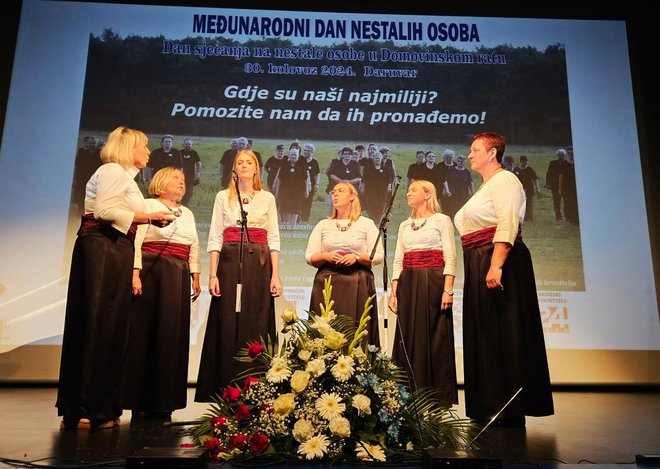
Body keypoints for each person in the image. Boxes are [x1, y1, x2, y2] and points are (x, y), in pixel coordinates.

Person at [56, 126, 176, 430]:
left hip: (115, 248)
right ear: (129, 148)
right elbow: (106, 211)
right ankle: (87, 407)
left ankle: (96, 406)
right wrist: (151, 217)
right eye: (144, 146)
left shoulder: (126, 179)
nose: (149, 152)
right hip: (102, 248)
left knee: (110, 326)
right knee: (98, 323)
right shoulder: (112, 171)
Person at [454, 132, 554, 427]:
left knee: (504, 332)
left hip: (500, 260)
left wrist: (496, 265)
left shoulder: (505, 180)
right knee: (485, 333)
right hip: (478, 259)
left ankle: (508, 408)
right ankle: (488, 403)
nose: (469, 155)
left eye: (475, 150)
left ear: (492, 153)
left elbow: (508, 222)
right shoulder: (485, 186)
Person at [195, 150, 282, 402]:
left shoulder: (267, 198)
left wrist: (275, 275)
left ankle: (255, 383)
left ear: (257, 168)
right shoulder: (223, 197)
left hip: (260, 261)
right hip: (229, 260)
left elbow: (274, 237)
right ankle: (223, 384)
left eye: (249, 162)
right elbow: (215, 236)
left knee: (255, 316)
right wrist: (212, 274)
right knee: (226, 317)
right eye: (239, 162)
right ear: (233, 169)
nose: (244, 166)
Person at [124, 167, 201, 419]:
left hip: (177, 275)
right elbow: (136, 240)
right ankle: (140, 400)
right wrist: (135, 272)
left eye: (183, 181)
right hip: (152, 271)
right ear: (161, 182)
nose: (182, 184)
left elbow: (194, 244)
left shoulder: (187, 212)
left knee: (171, 335)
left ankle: (164, 401)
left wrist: (195, 275)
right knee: (145, 334)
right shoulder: (146, 205)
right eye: (176, 180)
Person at [388, 180, 457, 405]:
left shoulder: (441, 220)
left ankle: (436, 396)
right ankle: (405, 394)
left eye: (414, 190)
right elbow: (398, 259)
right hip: (408, 282)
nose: (408, 193)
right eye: (408, 191)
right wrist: (394, 292)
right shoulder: (404, 225)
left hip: (433, 281)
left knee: (435, 335)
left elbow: (450, 257)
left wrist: (448, 290)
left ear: (428, 194)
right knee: (407, 335)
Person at [305, 182, 383, 346]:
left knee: (355, 329)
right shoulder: (323, 224)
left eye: (341, 191)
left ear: (352, 196)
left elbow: (378, 256)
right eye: (333, 192)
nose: (335, 194)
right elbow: (310, 255)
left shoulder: (366, 223)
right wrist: (326, 255)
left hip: (358, 281)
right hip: (327, 282)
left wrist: (356, 257)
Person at [276, 147, 308, 227]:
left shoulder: (301, 165)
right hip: (285, 190)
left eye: (295, 155)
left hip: (298, 191)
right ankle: (286, 223)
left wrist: (307, 190)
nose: (293, 156)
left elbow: (305, 179)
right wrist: (277, 191)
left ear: (298, 156)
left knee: (296, 208)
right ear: (289, 155)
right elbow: (279, 179)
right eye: (292, 154)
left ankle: (292, 226)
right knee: (284, 207)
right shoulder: (285, 165)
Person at [70, 136, 101, 217]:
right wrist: (74, 179)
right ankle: (79, 216)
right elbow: (77, 166)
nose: (91, 144)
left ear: (97, 144)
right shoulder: (82, 152)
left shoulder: (100, 153)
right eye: (89, 142)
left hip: (94, 180)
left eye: (93, 143)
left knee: (92, 200)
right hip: (81, 179)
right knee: (81, 200)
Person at [444, 154, 474, 221]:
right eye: (459, 161)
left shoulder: (467, 172)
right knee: (453, 208)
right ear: (457, 162)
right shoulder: (451, 170)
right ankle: (453, 222)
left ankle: (461, 222)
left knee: (462, 209)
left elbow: (470, 183)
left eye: (462, 162)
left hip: (463, 194)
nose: (460, 163)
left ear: (465, 163)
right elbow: (446, 181)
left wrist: (473, 193)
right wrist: (446, 190)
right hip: (453, 194)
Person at [513, 155, 540, 222]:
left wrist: (537, 187)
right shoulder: (516, 170)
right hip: (519, 190)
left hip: (529, 190)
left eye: (526, 162)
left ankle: (530, 218)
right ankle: (522, 217)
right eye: (523, 162)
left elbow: (535, 179)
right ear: (521, 162)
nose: (525, 163)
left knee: (529, 203)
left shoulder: (530, 169)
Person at [300, 143, 321, 222]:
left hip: (310, 186)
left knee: (308, 202)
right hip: (300, 185)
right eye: (305, 150)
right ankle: (297, 218)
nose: (306, 152)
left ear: (312, 152)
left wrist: (317, 184)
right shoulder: (300, 160)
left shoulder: (314, 162)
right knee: (299, 201)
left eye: (308, 151)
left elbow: (317, 174)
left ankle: (305, 218)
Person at [546, 149, 568, 222]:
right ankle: (558, 217)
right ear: (557, 155)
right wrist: (548, 183)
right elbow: (548, 173)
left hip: (565, 185)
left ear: (565, 156)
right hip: (555, 185)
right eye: (559, 155)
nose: (561, 157)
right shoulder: (552, 163)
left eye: (562, 155)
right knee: (556, 201)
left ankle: (567, 217)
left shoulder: (567, 163)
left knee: (566, 201)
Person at [179, 138, 201, 206]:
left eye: (189, 144)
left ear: (191, 145)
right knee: (180, 189)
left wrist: (198, 173)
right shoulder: (179, 152)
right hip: (180, 175)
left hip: (191, 175)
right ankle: (178, 203)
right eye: (186, 144)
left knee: (189, 191)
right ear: (183, 145)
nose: (187, 145)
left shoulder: (194, 153)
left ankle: (185, 204)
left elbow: (198, 163)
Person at [562, 146, 579, 225]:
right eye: (569, 150)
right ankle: (568, 218)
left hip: (575, 186)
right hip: (566, 186)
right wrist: (560, 187)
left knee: (575, 202)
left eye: (572, 150)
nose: (571, 152)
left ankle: (575, 218)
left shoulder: (578, 161)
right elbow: (561, 175)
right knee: (567, 202)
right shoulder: (564, 163)